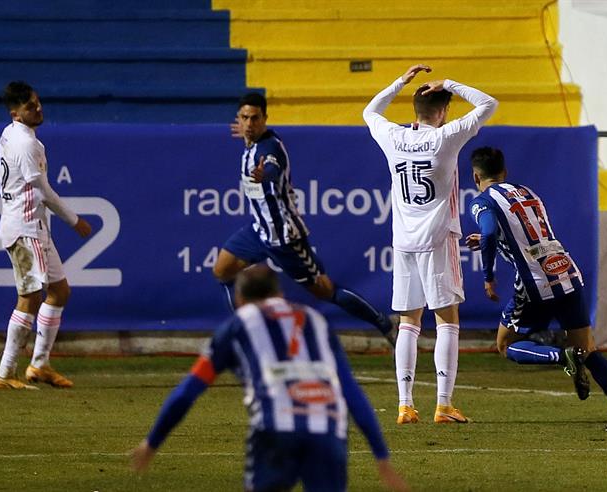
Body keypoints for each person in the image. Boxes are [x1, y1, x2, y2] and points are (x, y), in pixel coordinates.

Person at [131, 266, 407, 492]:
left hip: (275, 431)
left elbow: (188, 391)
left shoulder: (237, 326)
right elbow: (351, 391)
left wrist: (152, 441)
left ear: (239, 299)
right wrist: (381, 454)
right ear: (278, 291)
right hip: (328, 431)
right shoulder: (316, 320)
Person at [465, 147, 607, 431]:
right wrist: (492, 239)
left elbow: (488, 231)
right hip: (566, 270)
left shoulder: (482, 202)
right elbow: (522, 232)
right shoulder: (527, 192)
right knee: (588, 348)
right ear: (504, 173)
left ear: (475, 176)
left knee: (505, 344)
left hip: (535, 281)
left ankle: (560, 356)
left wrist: (488, 276)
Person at [363, 64, 497, 424]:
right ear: (443, 111)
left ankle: (405, 404)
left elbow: (369, 111)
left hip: (404, 242)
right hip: (439, 239)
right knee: (447, 319)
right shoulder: (446, 137)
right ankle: (443, 403)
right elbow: (488, 104)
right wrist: (450, 81)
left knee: (408, 320)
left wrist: (399, 83)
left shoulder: (393, 136)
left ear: (415, 111)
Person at [214, 93, 396, 345]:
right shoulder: (251, 142)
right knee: (222, 271)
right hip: (259, 231)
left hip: (285, 236)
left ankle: (384, 323)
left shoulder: (269, 148)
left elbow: (272, 167)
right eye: (244, 118)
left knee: (325, 290)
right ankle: (247, 338)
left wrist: (263, 174)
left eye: (255, 118)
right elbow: (252, 140)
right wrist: (247, 135)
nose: (249, 123)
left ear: (265, 119)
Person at [0, 81, 92, 390]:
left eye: (38, 103)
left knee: (59, 291)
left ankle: (39, 364)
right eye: (30, 107)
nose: (38, 109)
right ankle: (6, 372)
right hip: (24, 229)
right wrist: (74, 220)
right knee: (31, 296)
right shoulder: (25, 143)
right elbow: (42, 190)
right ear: (16, 114)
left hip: (35, 227)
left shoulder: (13, 134)